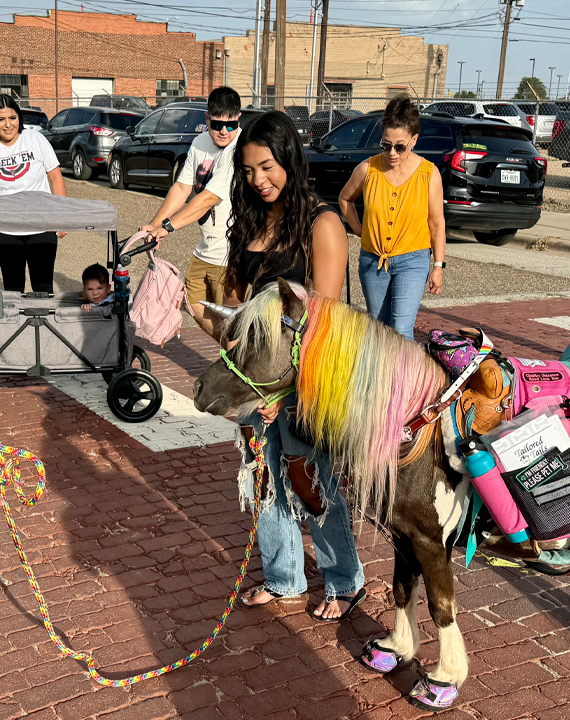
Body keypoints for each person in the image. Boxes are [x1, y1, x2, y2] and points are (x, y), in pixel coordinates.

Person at [222, 111, 365, 622]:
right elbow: (236, 305)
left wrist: (277, 393)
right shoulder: (252, 220)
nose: (258, 180)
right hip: (252, 380)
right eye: (248, 170)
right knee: (262, 480)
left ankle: (344, 579)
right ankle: (284, 576)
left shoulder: (321, 224)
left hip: (304, 381)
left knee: (310, 481)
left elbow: (324, 322)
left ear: (288, 158)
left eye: (267, 167)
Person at [338, 94, 445, 338]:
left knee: (401, 330)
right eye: (386, 145)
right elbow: (345, 200)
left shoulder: (429, 174)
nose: (392, 153)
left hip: (413, 261)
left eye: (400, 146)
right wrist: (360, 231)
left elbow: (436, 223)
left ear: (414, 140)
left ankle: (402, 378)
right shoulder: (368, 169)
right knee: (379, 329)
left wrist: (438, 266)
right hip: (372, 262)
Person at [142, 86, 243, 338]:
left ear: (238, 120)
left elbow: (208, 198)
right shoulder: (199, 143)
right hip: (205, 248)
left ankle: (236, 360)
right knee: (193, 300)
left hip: (231, 252)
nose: (223, 131)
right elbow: (182, 186)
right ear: (207, 118)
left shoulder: (239, 149)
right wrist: (154, 224)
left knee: (231, 318)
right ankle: (234, 355)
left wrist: (167, 228)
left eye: (230, 125)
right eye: (218, 124)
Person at [0, 94, 67, 294]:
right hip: (5, 229)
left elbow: (56, 178)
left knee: (43, 287)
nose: (8, 125)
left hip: (41, 226)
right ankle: (16, 326)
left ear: (19, 118)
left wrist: (61, 218)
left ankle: (43, 325)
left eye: (12, 118)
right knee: (13, 289)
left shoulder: (35, 139)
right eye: (0, 119)